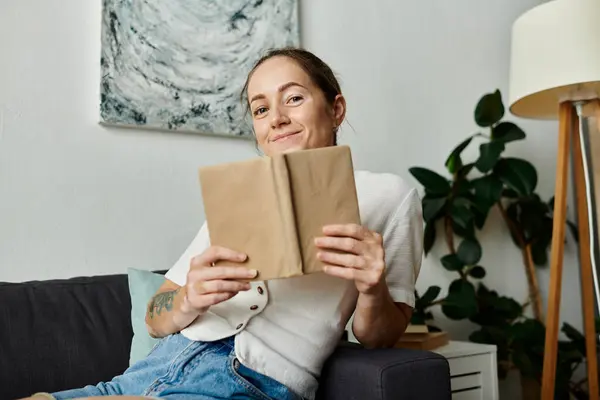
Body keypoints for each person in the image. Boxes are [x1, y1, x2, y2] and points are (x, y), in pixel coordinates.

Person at [26, 47, 424, 400]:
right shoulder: (241, 195)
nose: (278, 119)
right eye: (261, 108)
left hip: (248, 381)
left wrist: (372, 289)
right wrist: (188, 299)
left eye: (294, 98)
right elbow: (154, 315)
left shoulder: (387, 196)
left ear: (335, 109)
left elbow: (382, 337)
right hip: (153, 370)